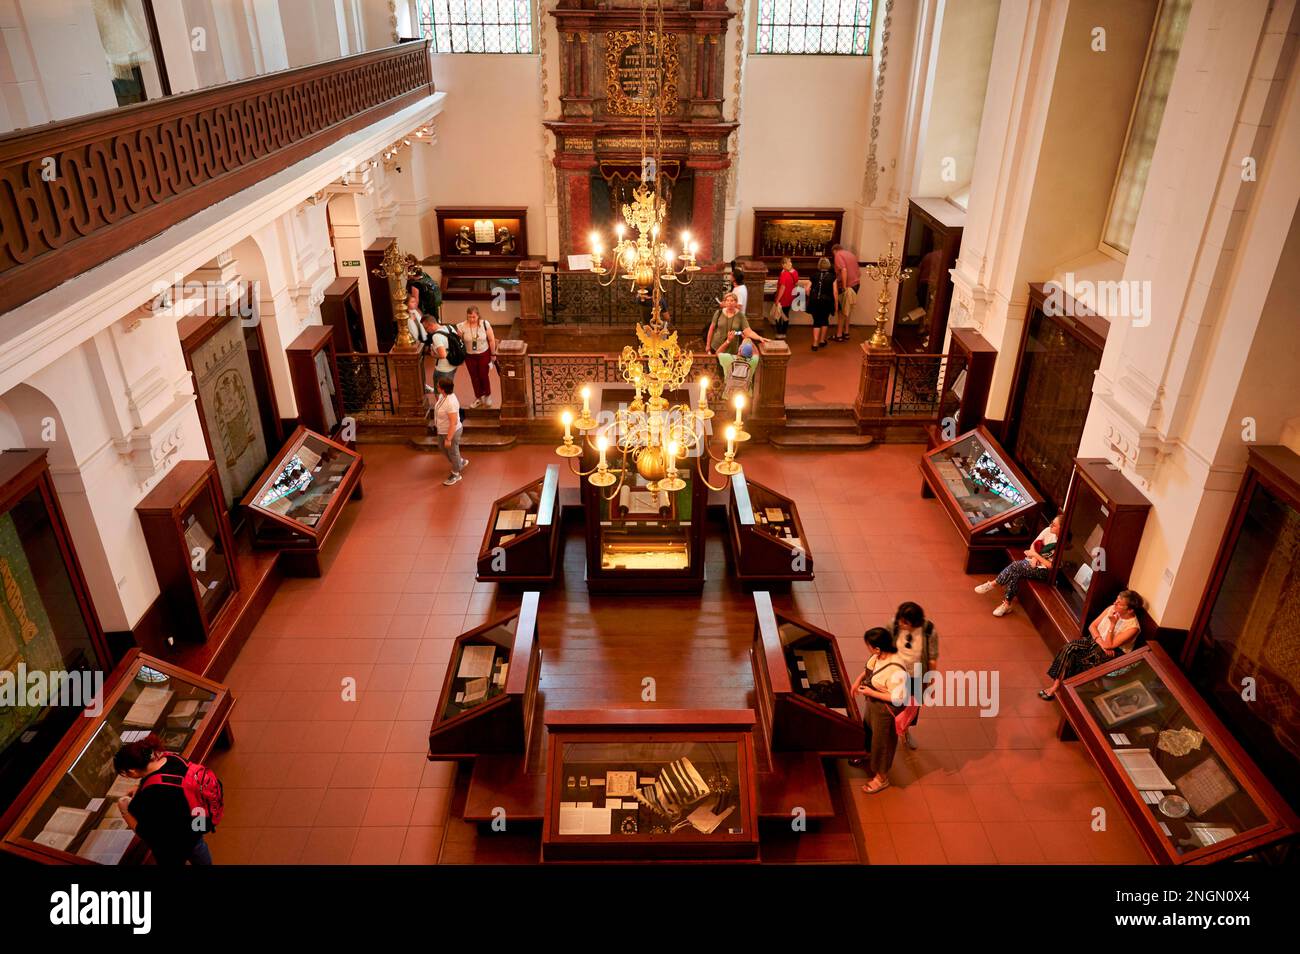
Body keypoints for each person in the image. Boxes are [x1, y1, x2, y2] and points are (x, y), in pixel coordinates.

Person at [112, 734, 213, 865]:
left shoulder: (145, 798)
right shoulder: (172, 758)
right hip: (195, 826)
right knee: (199, 851)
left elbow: (147, 833)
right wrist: (140, 785)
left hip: (172, 846)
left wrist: (124, 810)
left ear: (131, 771)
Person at [1039, 590, 1146, 701]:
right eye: (1116, 600)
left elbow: (1110, 645)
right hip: (1097, 641)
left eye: (1119, 603)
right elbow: (1092, 626)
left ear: (1130, 610)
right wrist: (1099, 640)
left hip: (1112, 653)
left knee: (1082, 658)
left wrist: (1112, 625)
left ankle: (1066, 689)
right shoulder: (1111, 609)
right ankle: (1056, 686)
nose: (1115, 604)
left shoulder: (1133, 627)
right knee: (1070, 647)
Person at [849, 627, 909, 794]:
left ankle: (881, 778)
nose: (867, 648)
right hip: (873, 705)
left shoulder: (896, 670)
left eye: (868, 645)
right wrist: (857, 681)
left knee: (882, 743)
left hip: (885, 711)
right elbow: (871, 670)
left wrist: (870, 692)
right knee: (869, 730)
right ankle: (868, 754)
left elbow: (897, 698)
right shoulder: (879, 656)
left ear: (877, 648)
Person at [975, 515, 1063, 616]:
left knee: (1016, 566)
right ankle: (1007, 604)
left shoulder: (1062, 545)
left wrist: (1035, 556)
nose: (1051, 525)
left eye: (1054, 525)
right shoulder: (1048, 530)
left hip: (1045, 571)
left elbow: (1051, 566)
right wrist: (1034, 557)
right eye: (1052, 522)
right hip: (1033, 561)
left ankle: (994, 584)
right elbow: (1034, 545)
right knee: (1017, 571)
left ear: (1062, 529)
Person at [892, 602, 939, 751]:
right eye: (900, 620)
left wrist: (931, 681)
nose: (901, 624)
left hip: (917, 675)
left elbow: (932, 657)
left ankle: (905, 730)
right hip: (895, 673)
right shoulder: (894, 626)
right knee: (892, 703)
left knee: (912, 707)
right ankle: (888, 731)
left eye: (905, 622)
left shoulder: (928, 630)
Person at [705, 292, 767, 379]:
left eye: (732, 301)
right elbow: (711, 329)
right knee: (720, 367)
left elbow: (748, 331)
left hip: (732, 347)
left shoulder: (740, 316)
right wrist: (708, 345)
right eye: (728, 300)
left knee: (731, 368)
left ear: (736, 303)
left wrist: (759, 337)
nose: (730, 303)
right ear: (725, 302)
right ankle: (722, 380)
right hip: (717, 345)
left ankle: (729, 382)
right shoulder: (718, 313)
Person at [457, 306, 497, 409]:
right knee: (474, 377)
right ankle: (479, 397)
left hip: (484, 353)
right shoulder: (461, 326)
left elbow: (491, 339)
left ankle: (487, 395)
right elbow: (458, 343)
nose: (471, 319)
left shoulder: (485, 324)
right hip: (469, 356)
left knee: (483, 375)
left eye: (474, 317)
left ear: (478, 316)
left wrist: (493, 354)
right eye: (469, 317)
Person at [432, 377, 467, 486]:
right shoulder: (443, 395)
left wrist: (449, 438)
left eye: (437, 386)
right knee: (443, 449)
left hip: (451, 432)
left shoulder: (450, 402)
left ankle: (456, 474)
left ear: (442, 389)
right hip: (442, 430)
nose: (436, 387)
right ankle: (460, 462)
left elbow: (453, 422)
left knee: (453, 452)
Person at [806, 257, 837, 351]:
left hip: (815, 301)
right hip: (827, 301)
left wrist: (811, 295)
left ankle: (815, 343)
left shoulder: (814, 275)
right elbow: (835, 292)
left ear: (819, 265)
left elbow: (807, 289)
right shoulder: (832, 277)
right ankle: (822, 341)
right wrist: (835, 304)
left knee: (816, 321)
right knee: (825, 320)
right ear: (828, 265)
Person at [832, 243, 860, 343]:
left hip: (847, 286)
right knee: (848, 309)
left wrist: (843, 286)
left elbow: (843, 270)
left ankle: (839, 335)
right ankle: (846, 332)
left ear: (835, 250)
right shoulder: (851, 255)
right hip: (856, 285)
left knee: (842, 311)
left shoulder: (838, 255)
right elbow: (859, 272)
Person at [429, 317, 461, 391]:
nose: (426, 330)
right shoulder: (449, 327)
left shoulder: (436, 336)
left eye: (426, 328)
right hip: (453, 364)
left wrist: (433, 355)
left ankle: (443, 402)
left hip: (443, 369)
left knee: (441, 392)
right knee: (448, 389)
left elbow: (443, 355)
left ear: (431, 325)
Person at [773, 256, 799, 339]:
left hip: (783, 298)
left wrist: (777, 299)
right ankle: (784, 333)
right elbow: (795, 283)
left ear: (783, 264)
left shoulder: (784, 274)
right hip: (790, 297)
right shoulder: (794, 272)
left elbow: (782, 288)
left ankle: (779, 333)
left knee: (778, 316)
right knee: (786, 315)